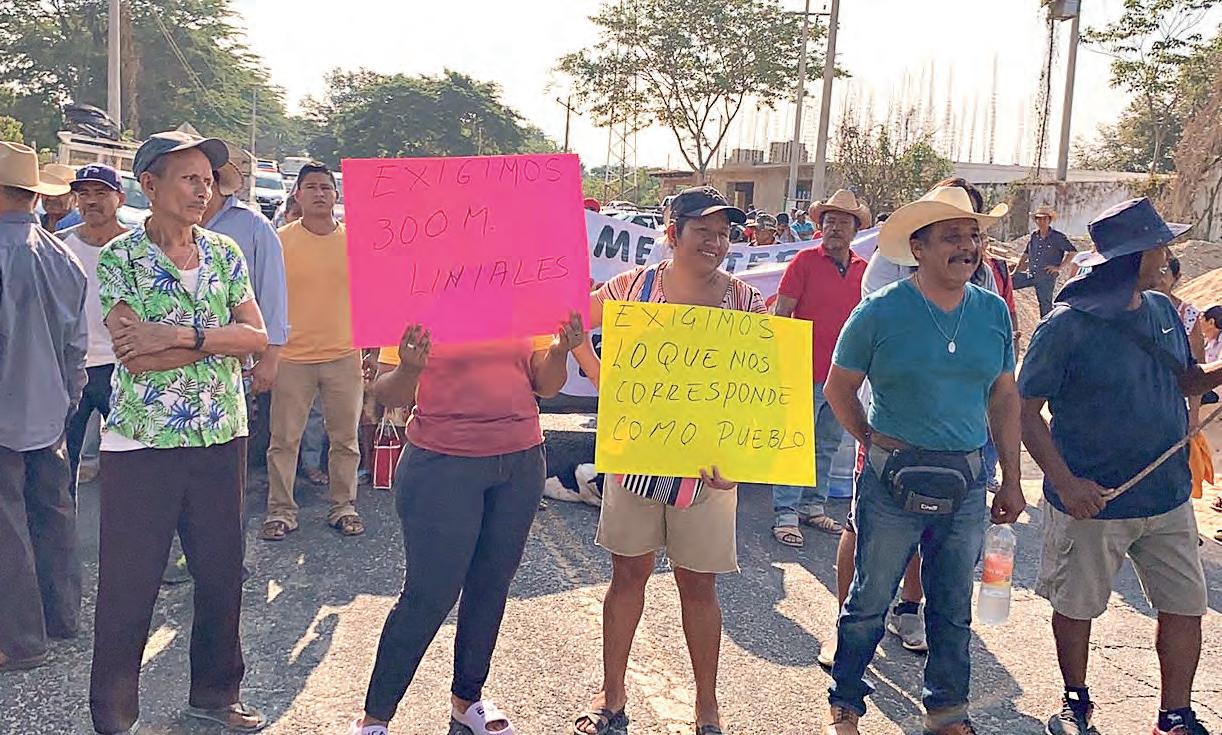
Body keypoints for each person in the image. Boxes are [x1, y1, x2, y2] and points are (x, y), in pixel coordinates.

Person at [822, 185, 1025, 735]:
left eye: (973, 236)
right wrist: (870, 438)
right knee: (870, 598)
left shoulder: (992, 312)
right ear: (918, 247)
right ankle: (847, 697)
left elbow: (1004, 396)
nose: (968, 247)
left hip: (967, 480)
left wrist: (1010, 478)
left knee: (952, 605)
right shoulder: (879, 311)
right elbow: (839, 386)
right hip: (891, 479)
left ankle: (947, 711)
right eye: (952, 237)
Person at [90, 131, 268, 734]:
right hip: (143, 442)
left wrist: (178, 336)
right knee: (129, 582)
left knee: (221, 572)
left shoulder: (224, 254)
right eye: (190, 178)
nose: (203, 190)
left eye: (208, 180)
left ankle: (216, 696)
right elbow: (135, 357)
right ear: (149, 185)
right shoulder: (120, 258)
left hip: (220, 435)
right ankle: (114, 716)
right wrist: (218, 342)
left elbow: (256, 337)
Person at [571, 186, 763, 735]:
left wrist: (742, 460)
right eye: (704, 230)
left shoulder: (746, 302)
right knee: (627, 574)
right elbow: (573, 320)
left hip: (708, 472)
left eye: (724, 233)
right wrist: (598, 373)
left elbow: (760, 389)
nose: (716, 242)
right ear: (673, 232)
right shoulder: (632, 288)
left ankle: (707, 705)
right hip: (637, 456)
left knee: (699, 585)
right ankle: (611, 693)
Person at [1019, 198, 1214, 735]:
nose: (1167, 257)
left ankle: (1174, 716)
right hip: (1093, 500)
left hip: (1167, 495)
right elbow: (1024, 412)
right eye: (1160, 248)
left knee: (1186, 606)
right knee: (1076, 607)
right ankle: (1075, 700)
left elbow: (1186, 381)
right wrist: (1065, 484)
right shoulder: (1065, 326)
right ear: (1133, 256)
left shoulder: (1163, 311)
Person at [348, 315, 584, 735]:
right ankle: (375, 718)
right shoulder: (419, 294)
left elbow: (546, 386)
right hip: (442, 463)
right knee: (429, 594)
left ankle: (467, 700)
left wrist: (560, 350)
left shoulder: (523, 294)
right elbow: (386, 391)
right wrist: (410, 368)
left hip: (519, 463)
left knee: (490, 586)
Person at [0, 143, 85, 673]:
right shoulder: (63, 255)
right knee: (52, 512)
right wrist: (68, 399)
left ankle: (20, 640)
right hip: (51, 406)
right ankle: (62, 616)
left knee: (7, 525)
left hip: (5, 412)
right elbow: (76, 345)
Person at [261, 162, 366, 541]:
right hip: (292, 357)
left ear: (336, 196)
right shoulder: (279, 242)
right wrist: (266, 352)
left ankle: (344, 506)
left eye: (326, 187)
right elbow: (266, 299)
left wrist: (372, 351)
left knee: (345, 440)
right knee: (283, 441)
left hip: (344, 354)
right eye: (311, 187)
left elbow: (372, 297)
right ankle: (281, 511)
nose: (319, 193)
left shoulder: (356, 242)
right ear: (297, 195)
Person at [770, 189, 871, 547]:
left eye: (843, 222)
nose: (835, 228)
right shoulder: (803, 262)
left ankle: (812, 506)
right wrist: (782, 365)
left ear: (855, 229)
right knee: (794, 446)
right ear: (820, 226)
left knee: (827, 444)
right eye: (829, 221)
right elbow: (782, 313)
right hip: (803, 372)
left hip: (843, 379)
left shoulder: (863, 270)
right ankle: (785, 513)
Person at [59, 164, 128, 498]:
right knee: (62, 465)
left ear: (120, 199)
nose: (91, 201)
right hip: (70, 366)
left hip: (121, 366)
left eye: (101, 193)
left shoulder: (137, 249)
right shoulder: (60, 246)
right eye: (83, 193)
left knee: (128, 458)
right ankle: (65, 530)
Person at [1012, 205, 1076, 318]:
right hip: (1031, 274)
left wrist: (1059, 268)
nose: (1041, 221)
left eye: (1044, 219)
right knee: (1007, 284)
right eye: (1038, 219)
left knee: (1045, 308)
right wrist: (1015, 272)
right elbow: (1025, 254)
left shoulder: (1057, 237)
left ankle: (1048, 326)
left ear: (1049, 220)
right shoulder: (1034, 236)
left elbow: (1072, 252)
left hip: (1046, 277)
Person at [40, 163, 83, 231]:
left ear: (74, 196)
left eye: (59, 192)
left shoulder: (83, 225)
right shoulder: (37, 222)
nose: (51, 198)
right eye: (46, 191)